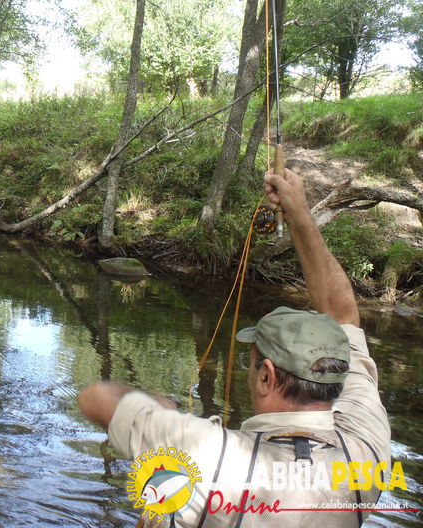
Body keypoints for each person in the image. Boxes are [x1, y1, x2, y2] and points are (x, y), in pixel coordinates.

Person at [78, 168, 391, 527]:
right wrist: (300, 215)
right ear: (335, 373)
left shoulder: (211, 456)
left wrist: (160, 408)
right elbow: (343, 316)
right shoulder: (366, 449)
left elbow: (96, 399)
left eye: (251, 361)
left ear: (266, 378)